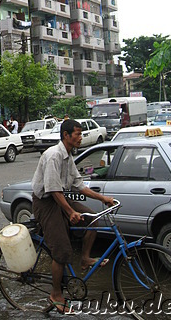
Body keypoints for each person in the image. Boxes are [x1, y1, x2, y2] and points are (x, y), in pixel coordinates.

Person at [31, 119, 114, 314]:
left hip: (59, 198)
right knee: (61, 250)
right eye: (77, 133)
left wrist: (103, 198)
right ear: (66, 135)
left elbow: (79, 185)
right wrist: (70, 212)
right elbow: (52, 190)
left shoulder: (68, 156)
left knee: (93, 219)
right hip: (46, 202)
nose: (81, 137)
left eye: (81, 133)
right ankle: (56, 293)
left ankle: (85, 259)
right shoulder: (53, 156)